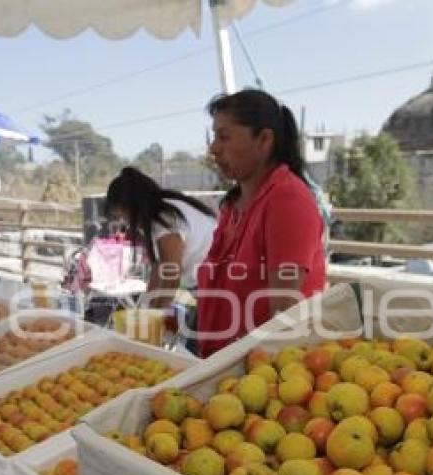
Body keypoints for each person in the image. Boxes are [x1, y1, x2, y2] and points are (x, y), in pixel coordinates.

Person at [197, 89, 326, 358]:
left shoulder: (287, 199)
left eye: (224, 136)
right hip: (219, 363)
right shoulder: (233, 205)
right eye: (214, 137)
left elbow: (283, 312)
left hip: (258, 372)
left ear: (264, 139)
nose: (213, 148)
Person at [105, 167, 216, 310]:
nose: (123, 221)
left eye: (123, 215)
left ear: (132, 205)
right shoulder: (162, 211)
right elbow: (159, 267)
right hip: (209, 282)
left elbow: (171, 278)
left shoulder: (164, 218)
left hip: (218, 282)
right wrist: (145, 306)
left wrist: (153, 316)